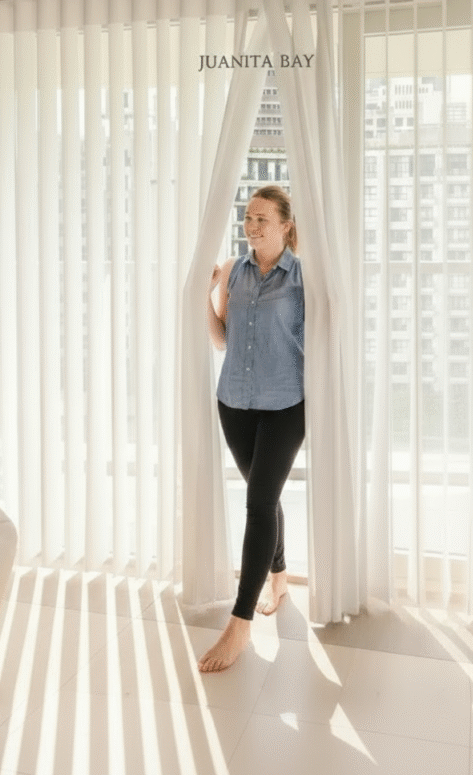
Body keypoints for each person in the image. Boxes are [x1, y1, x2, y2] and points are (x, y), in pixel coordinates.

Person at [198, 185, 305, 673]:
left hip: (285, 406)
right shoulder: (235, 273)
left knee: (258, 504)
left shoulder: (303, 278)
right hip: (234, 404)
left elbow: (318, 346)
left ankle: (239, 624)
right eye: (248, 217)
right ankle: (279, 577)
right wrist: (206, 295)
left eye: (264, 218)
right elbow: (222, 338)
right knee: (267, 497)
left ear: (285, 225)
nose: (253, 225)